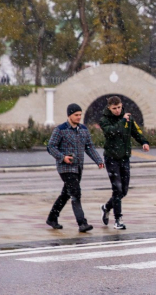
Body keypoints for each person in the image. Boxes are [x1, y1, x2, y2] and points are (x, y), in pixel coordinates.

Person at [46, 103, 105, 232]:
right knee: (76, 193)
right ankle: (82, 223)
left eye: (80, 115)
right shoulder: (60, 129)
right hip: (65, 168)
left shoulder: (83, 129)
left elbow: (89, 147)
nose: (79, 117)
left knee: (66, 194)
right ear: (69, 115)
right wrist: (62, 157)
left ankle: (52, 218)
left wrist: (98, 160)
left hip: (78, 168)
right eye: (76, 115)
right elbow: (51, 147)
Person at [99, 96, 149, 230]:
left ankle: (106, 207)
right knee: (117, 189)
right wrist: (122, 121)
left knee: (124, 191)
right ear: (109, 108)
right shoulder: (104, 119)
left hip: (124, 157)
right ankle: (118, 220)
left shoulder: (128, 118)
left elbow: (136, 132)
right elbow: (111, 132)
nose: (117, 110)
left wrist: (144, 142)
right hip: (111, 158)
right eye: (114, 108)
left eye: (119, 107)